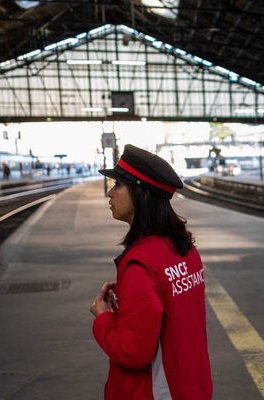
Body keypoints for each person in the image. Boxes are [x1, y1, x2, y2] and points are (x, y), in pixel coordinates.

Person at [90, 144, 212, 399]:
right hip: (191, 384)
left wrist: (103, 317)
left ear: (140, 194)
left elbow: (131, 353)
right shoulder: (186, 249)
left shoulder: (140, 265)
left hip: (155, 392)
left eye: (118, 185)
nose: (109, 193)